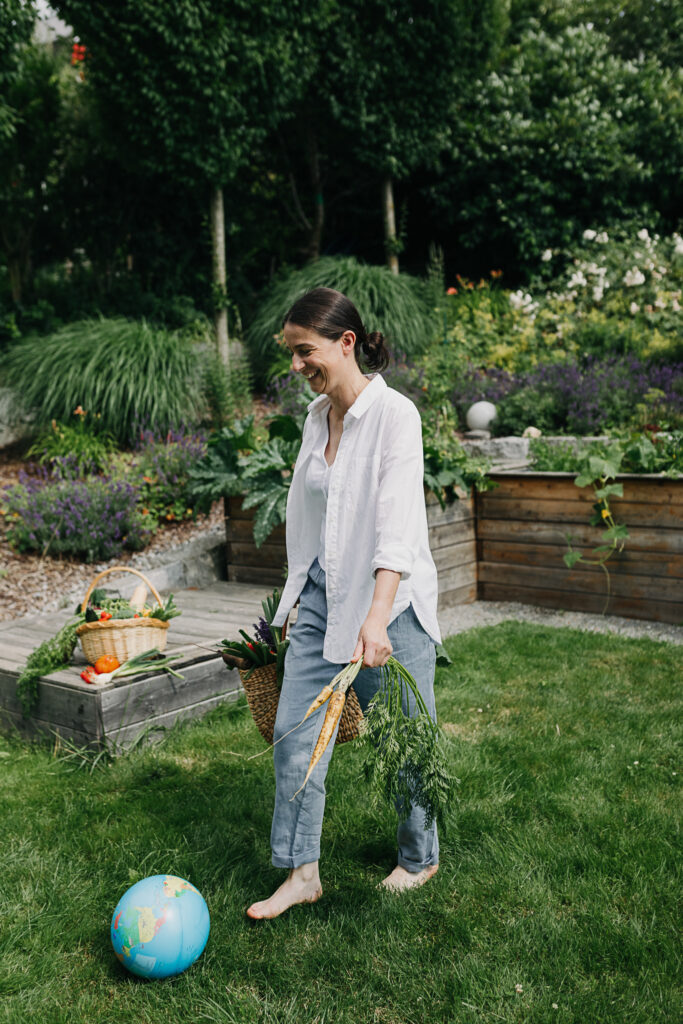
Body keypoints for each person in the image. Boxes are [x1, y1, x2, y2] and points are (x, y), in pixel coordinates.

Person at [246, 287, 443, 920]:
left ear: (345, 343)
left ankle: (419, 857)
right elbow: (304, 522)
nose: (297, 365)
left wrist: (377, 615)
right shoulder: (313, 419)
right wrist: (294, 602)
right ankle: (303, 873)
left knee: (410, 740)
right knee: (294, 737)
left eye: (305, 351)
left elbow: (396, 527)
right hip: (323, 600)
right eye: (292, 354)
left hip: (392, 604)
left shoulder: (396, 417)